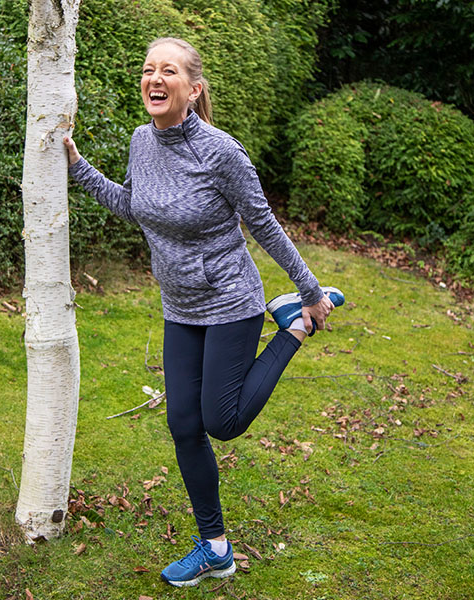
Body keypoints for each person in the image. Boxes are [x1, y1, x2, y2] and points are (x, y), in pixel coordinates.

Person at [63, 37, 344, 588]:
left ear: (193, 89)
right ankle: (215, 548)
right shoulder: (142, 141)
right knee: (184, 424)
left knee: (223, 422)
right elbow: (135, 207)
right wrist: (78, 167)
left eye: (168, 70)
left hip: (231, 300)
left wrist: (309, 289)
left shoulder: (220, 152)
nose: (155, 79)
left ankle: (293, 325)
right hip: (180, 306)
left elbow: (262, 223)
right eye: (148, 70)